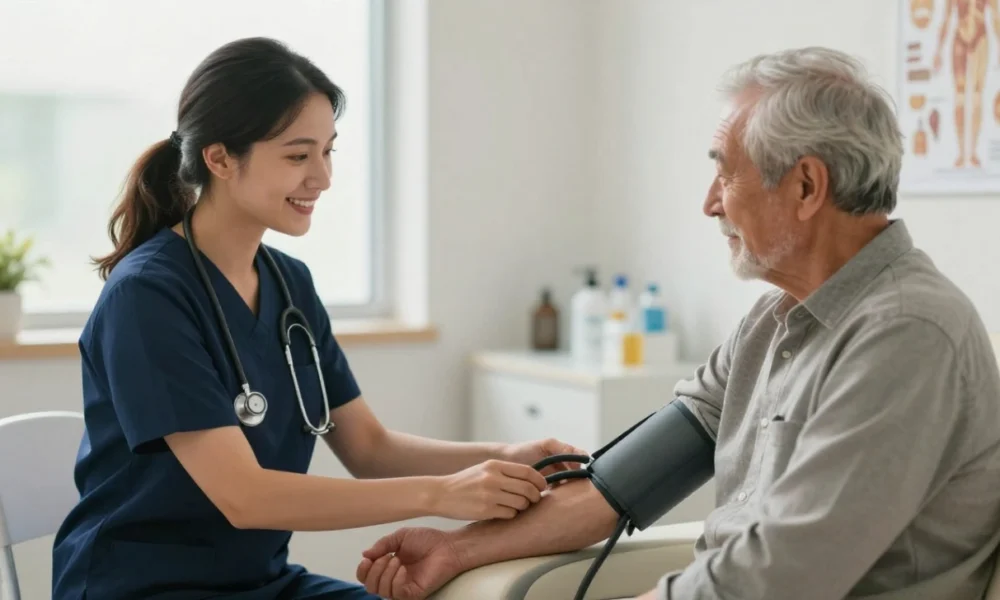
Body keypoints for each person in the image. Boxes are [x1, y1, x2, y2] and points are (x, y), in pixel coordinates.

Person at [355, 47, 1000, 600]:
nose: (709, 201)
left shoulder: (908, 334)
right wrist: (458, 550)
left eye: (725, 169)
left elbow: (784, 573)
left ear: (806, 187)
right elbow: (619, 485)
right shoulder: (775, 320)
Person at [50, 37, 585, 600]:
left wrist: (505, 455)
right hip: (142, 588)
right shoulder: (148, 296)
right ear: (220, 158)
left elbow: (370, 449)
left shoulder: (288, 283)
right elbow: (245, 496)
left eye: (328, 151)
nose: (323, 178)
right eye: (297, 155)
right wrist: (442, 494)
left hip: (260, 583)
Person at [933, 0, 1000, 167]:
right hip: (960, 38)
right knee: (960, 97)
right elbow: (946, 18)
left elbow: (995, 17)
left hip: (981, 37)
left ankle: (973, 152)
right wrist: (938, 51)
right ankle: (962, 152)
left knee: (977, 96)